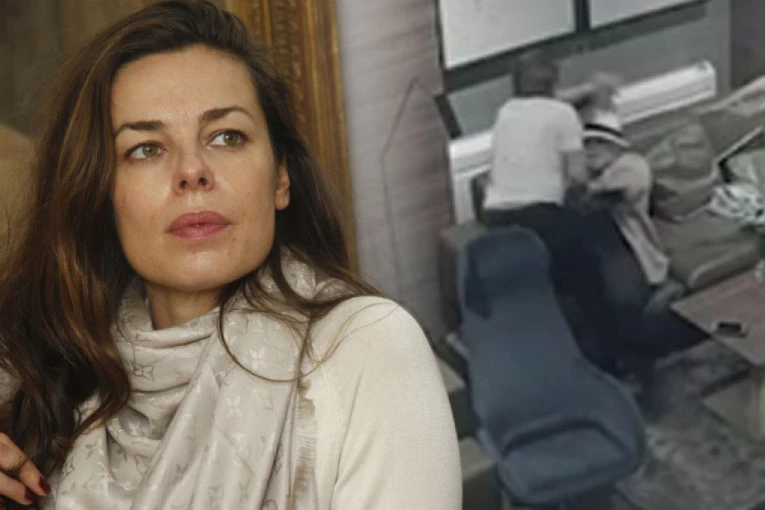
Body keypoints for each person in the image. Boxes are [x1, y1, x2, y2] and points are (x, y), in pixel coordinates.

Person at [0, 2, 461, 508]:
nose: (191, 171)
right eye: (146, 148)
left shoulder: (365, 350)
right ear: (101, 195)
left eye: (226, 137)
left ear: (280, 177)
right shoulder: (44, 377)